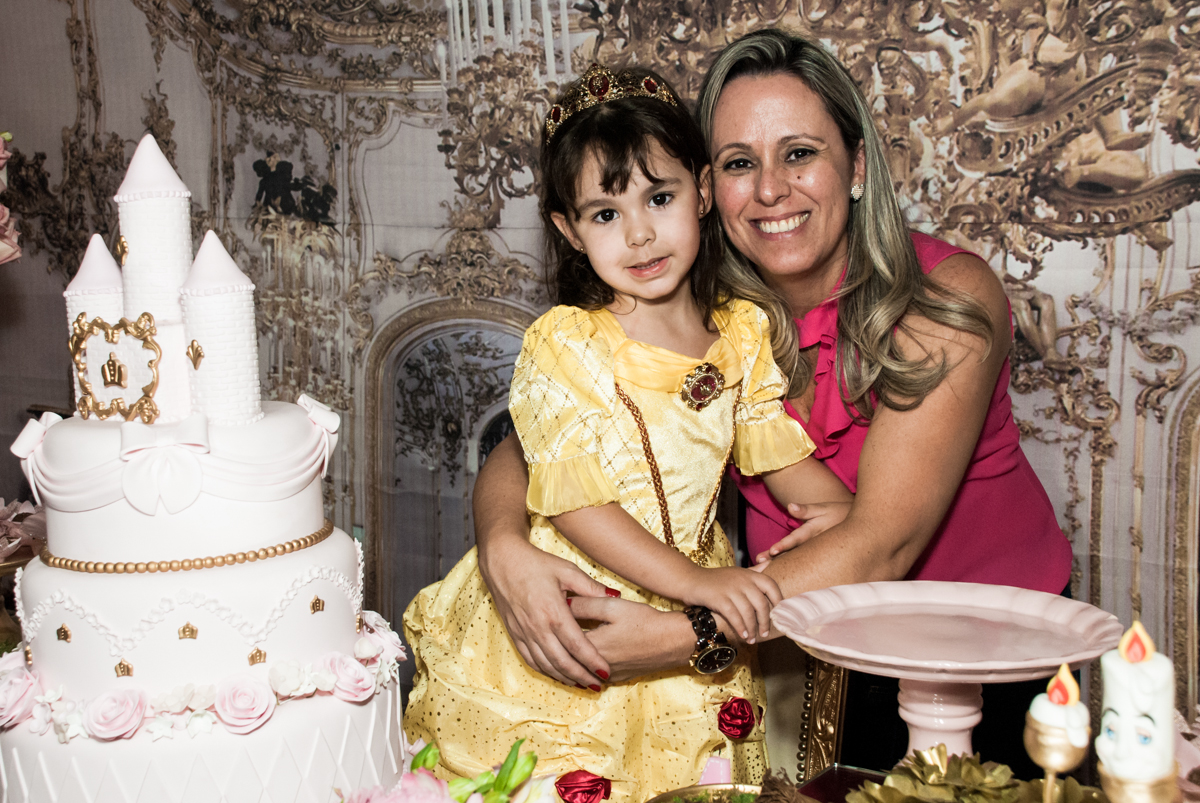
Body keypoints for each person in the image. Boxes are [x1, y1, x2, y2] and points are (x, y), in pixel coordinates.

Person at [470, 29, 1074, 776]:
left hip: (973, 654)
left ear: (855, 166)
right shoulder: (698, 305)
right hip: (789, 642)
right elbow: (536, 441)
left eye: (799, 153)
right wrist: (502, 546)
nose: (769, 190)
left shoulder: (946, 299)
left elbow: (882, 543)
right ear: (706, 187)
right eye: (738, 164)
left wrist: (680, 633)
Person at [403, 64, 852, 801]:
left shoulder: (740, 333)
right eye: (605, 213)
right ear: (568, 230)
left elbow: (780, 460)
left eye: (660, 196)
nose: (639, 233)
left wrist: (838, 515)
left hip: (687, 612)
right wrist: (701, 585)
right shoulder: (567, 341)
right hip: (581, 596)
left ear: (704, 193)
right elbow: (574, 500)